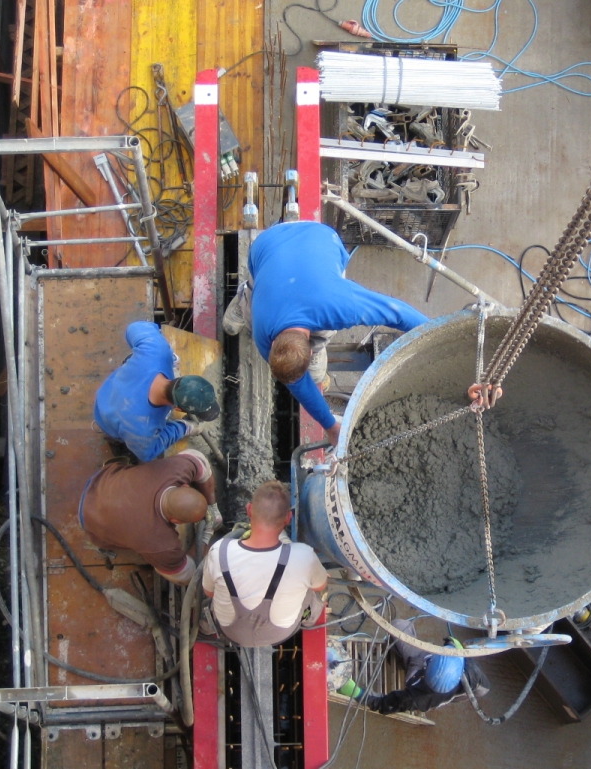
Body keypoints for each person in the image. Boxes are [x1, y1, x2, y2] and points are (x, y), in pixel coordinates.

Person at [222, 221, 428, 445]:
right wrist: (329, 425)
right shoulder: (262, 331)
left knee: (324, 328)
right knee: (254, 298)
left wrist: (440, 332)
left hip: (319, 237)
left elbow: (398, 313)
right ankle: (245, 294)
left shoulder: (338, 304)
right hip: (267, 245)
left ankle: (255, 296)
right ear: (275, 346)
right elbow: (300, 387)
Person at [203, 480, 328, 647]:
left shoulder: (219, 551)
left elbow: (209, 592)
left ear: (249, 510)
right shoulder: (304, 557)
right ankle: (310, 620)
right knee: (312, 591)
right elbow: (320, 586)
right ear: (288, 518)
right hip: (278, 635)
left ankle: (205, 626)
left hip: (230, 631)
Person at [79, 449, 215, 586]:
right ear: (176, 521)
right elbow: (186, 575)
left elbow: (200, 461)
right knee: (145, 558)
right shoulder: (159, 544)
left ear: (184, 486)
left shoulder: (175, 469)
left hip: (101, 480)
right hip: (90, 520)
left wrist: (212, 504)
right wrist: (204, 538)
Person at [94, 321, 220, 462]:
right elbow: (147, 453)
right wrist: (183, 428)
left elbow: (135, 327)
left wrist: (168, 355)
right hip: (106, 418)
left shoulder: (155, 352)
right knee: (126, 444)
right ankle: (115, 441)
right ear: (177, 408)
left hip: (109, 391)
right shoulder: (144, 427)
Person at [336, 618, 490, 715]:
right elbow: (450, 640)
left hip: (432, 685)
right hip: (435, 664)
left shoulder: (417, 698)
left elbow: (382, 704)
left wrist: (355, 692)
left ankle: (407, 662)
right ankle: (399, 652)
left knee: (422, 695)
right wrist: (453, 643)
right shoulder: (458, 657)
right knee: (398, 626)